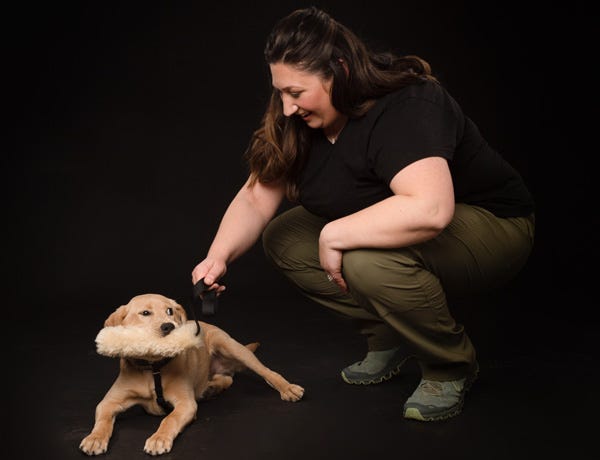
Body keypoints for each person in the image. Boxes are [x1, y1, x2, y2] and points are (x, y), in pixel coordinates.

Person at [191, 6, 535, 422]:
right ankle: (389, 335)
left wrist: (335, 234)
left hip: (492, 225)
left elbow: (430, 208)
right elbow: (255, 196)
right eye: (280, 92)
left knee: (364, 258)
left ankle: (449, 364)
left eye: (296, 93)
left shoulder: (408, 103)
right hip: (411, 223)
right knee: (284, 237)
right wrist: (218, 256)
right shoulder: (297, 121)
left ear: (341, 70)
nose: (285, 108)